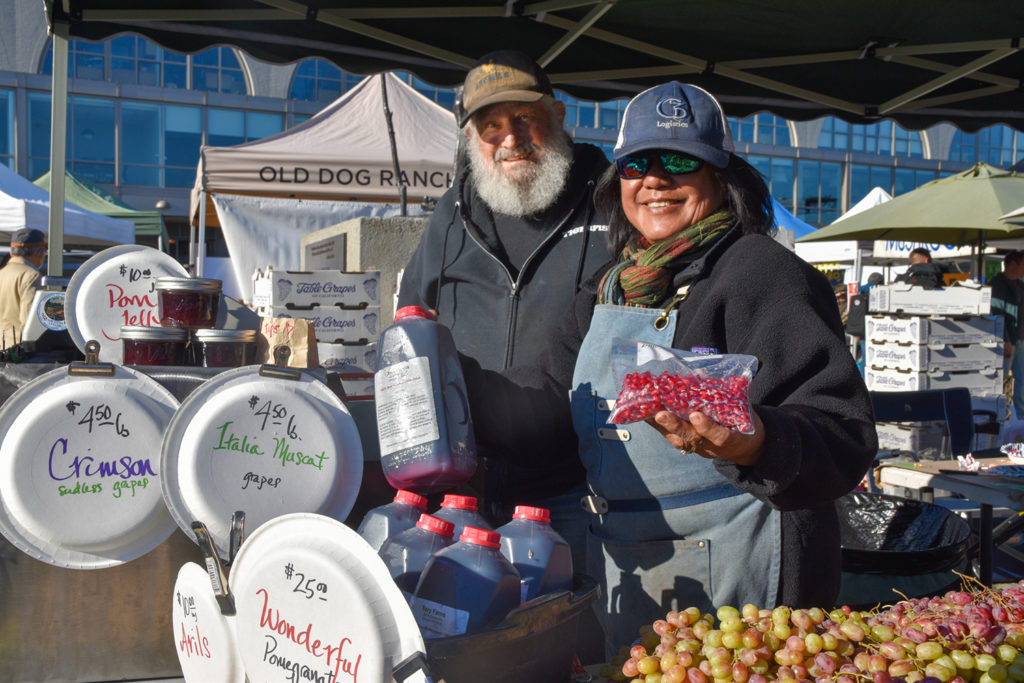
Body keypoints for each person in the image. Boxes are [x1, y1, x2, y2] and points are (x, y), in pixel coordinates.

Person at [459, 81, 876, 652]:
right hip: (637, 576)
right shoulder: (609, 288)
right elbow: (547, 402)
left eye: (680, 162)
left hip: (748, 577)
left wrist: (758, 442)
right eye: (636, 165)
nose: (655, 180)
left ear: (719, 178)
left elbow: (844, 434)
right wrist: (451, 379)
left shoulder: (760, 272)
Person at [397, 51, 611, 557]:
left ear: (557, 116)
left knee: (573, 631)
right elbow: (410, 325)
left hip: (574, 493)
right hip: (461, 495)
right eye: (491, 125)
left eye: (524, 118)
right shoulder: (453, 215)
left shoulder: (611, 201)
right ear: (471, 138)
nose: (510, 138)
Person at [990, 250, 1024, 418]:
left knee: (1022, 383)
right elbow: (996, 313)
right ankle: (999, 415)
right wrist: (1006, 339)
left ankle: (1020, 418)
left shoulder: (1020, 284)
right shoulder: (996, 284)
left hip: (1020, 339)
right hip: (1007, 340)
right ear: (1012, 264)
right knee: (999, 381)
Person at [0, 227, 47, 349]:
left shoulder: (2, 273)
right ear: (40, 252)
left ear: (12, 252)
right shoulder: (31, 275)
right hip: (16, 351)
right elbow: (29, 320)